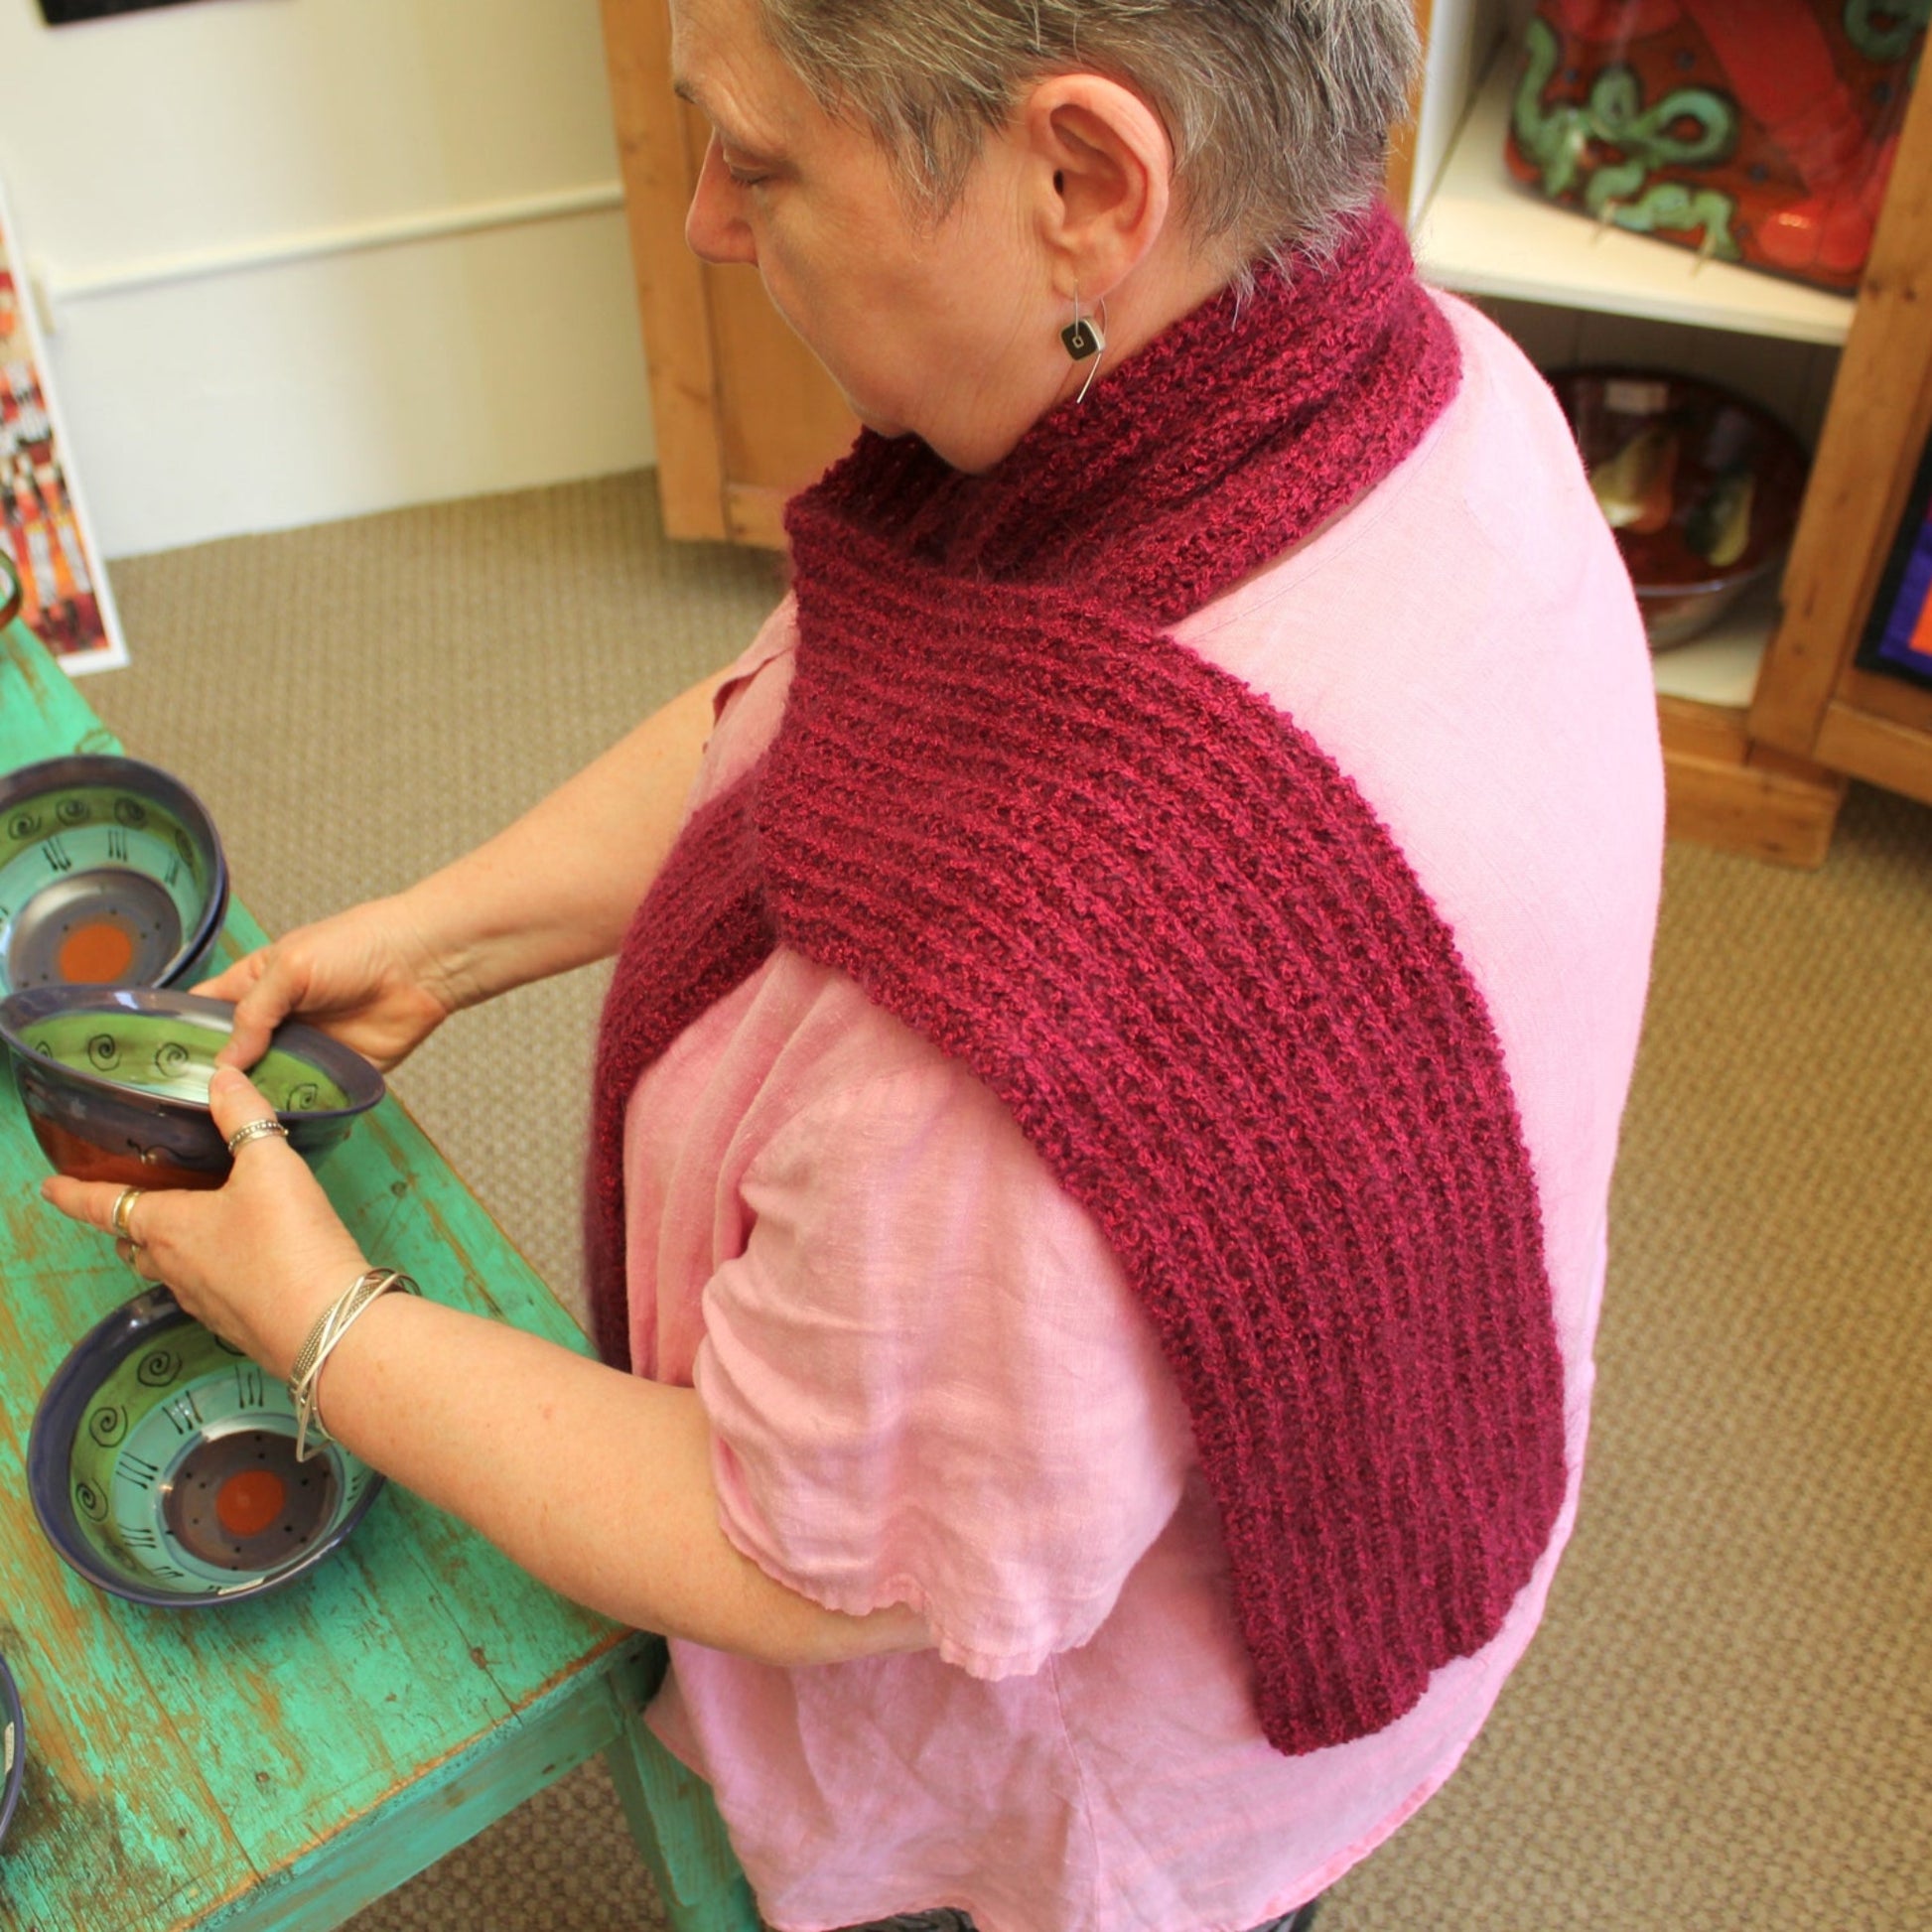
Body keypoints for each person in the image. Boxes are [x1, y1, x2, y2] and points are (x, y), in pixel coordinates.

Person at [41, 2, 1665, 1928]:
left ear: (1083, 184)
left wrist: (322, 1316)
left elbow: (799, 1551)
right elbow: (831, 701)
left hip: (1078, 1757)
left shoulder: (1008, 1038)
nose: (716, 218)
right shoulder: (1413, 378)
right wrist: (446, 935)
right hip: (1382, 1377)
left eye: (766, 157)